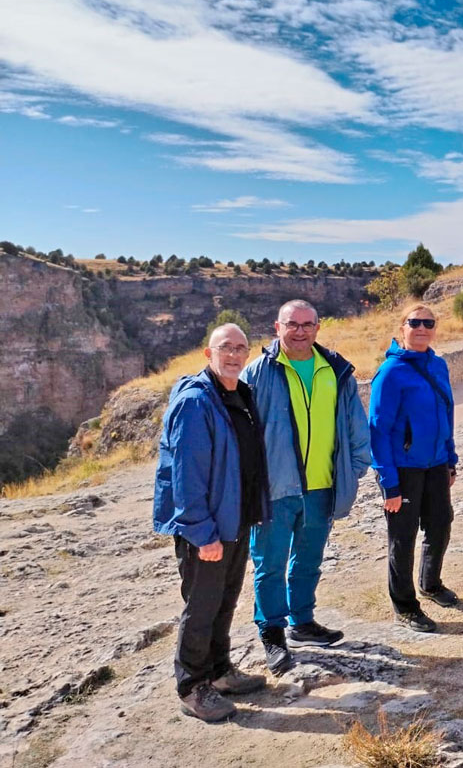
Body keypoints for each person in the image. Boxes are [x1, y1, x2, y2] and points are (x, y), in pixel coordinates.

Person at [241, 299, 371, 674]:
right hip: (275, 490)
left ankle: (302, 620)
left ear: (317, 327)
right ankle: (272, 633)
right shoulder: (259, 372)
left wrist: (356, 466)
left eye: (307, 324)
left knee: (309, 558)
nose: (299, 331)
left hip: (322, 487)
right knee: (270, 563)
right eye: (291, 324)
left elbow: (354, 424)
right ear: (276, 327)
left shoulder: (335, 370)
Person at [153, 323, 269, 722]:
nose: (234, 354)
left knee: (225, 601)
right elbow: (186, 475)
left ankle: (219, 671)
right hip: (207, 529)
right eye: (226, 348)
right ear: (209, 353)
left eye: (241, 348)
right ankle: (192, 686)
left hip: (234, 521)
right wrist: (202, 533)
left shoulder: (238, 394)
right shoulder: (195, 402)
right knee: (201, 607)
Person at [369, 304, 458, 634]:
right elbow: (378, 428)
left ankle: (430, 584)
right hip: (403, 469)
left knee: (440, 525)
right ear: (402, 328)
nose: (422, 327)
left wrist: (450, 459)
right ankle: (404, 606)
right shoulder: (390, 372)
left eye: (428, 322)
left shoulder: (438, 365)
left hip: (435, 464)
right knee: (402, 539)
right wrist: (388, 484)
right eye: (414, 322)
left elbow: (445, 416)